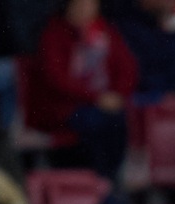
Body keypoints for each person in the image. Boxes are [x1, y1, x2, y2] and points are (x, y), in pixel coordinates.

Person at [26, 0, 139, 180]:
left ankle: (109, 180)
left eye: (89, 4)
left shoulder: (106, 32)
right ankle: (98, 179)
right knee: (97, 122)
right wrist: (97, 98)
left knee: (118, 119)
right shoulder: (54, 34)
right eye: (79, 4)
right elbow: (57, 80)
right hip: (65, 108)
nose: (84, 9)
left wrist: (118, 95)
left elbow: (127, 67)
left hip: (103, 104)